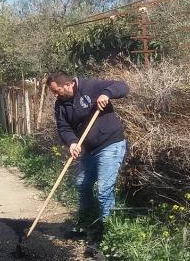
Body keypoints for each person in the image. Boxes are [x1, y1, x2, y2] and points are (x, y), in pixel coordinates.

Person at [46, 72, 130, 244]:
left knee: (104, 189)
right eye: (54, 92)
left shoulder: (90, 87)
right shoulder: (60, 105)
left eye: (57, 91)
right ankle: (87, 222)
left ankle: (108, 232)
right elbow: (64, 128)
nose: (56, 95)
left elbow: (122, 86)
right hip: (89, 150)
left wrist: (107, 93)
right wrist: (71, 142)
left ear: (69, 84)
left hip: (110, 144)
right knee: (81, 183)